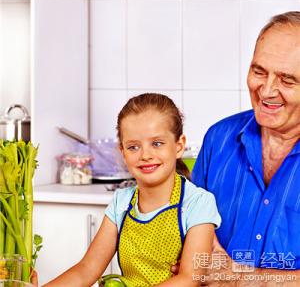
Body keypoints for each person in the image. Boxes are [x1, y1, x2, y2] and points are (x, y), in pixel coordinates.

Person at [42, 93, 221, 287]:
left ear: (179, 146)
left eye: (157, 143)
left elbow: (189, 279)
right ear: (122, 153)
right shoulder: (122, 202)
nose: (145, 155)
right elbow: (86, 270)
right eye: (133, 147)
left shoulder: (198, 203)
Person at [190, 11, 300, 281]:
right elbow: (186, 232)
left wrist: (242, 279)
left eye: (287, 80)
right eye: (258, 71)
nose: (266, 90)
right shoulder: (218, 139)